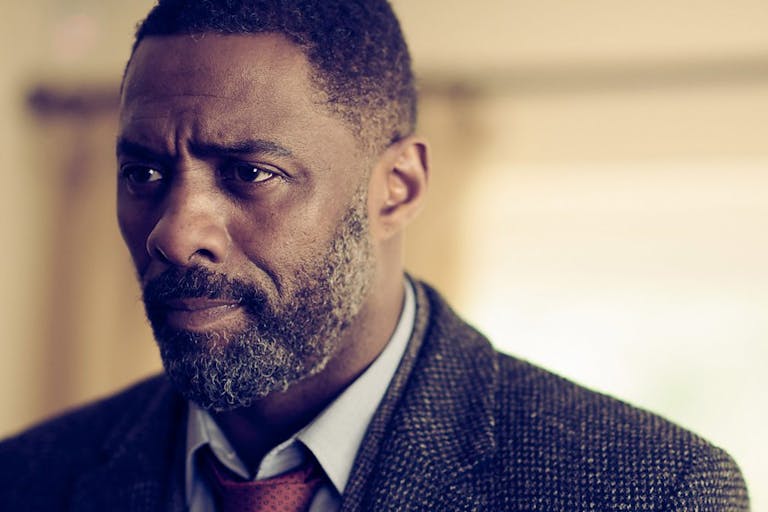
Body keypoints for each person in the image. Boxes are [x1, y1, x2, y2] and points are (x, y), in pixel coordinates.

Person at [0, 0, 750, 510]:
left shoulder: (648, 491)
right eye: (144, 174)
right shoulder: (27, 481)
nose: (173, 232)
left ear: (397, 188)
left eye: (250, 173)